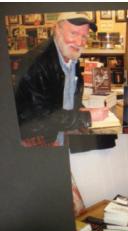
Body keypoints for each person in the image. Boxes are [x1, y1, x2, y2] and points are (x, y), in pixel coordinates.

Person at [14, 12, 108, 147]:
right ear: (57, 29)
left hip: (61, 134)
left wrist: (84, 111)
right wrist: (88, 117)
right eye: (74, 33)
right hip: (39, 140)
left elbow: (67, 101)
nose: (80, 42)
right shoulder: (36, 62)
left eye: (84, 36)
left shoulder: (71, 58)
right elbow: (42, 117)